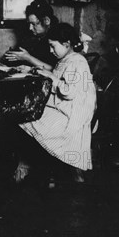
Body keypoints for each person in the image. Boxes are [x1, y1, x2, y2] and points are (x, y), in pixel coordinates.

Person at [15, 22, 97, 183]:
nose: (51, 51)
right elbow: (56, 73)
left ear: (67, 44)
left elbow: (69, 92)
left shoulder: (77, 62)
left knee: (27, 117)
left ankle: (32, 167)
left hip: (72, 116)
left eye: (53, 46)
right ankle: (31, 166)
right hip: (63, 108)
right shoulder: (66, 59)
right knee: (26, 113)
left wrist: (51, 77)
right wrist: (34, 70)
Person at [3, 0, 58, 71]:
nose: (30, 28)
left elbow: (53, 69)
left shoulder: (57, 37)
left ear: (47, 21)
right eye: (29, 24)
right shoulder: (33, 36)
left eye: (34, 24)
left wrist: (27, 58)